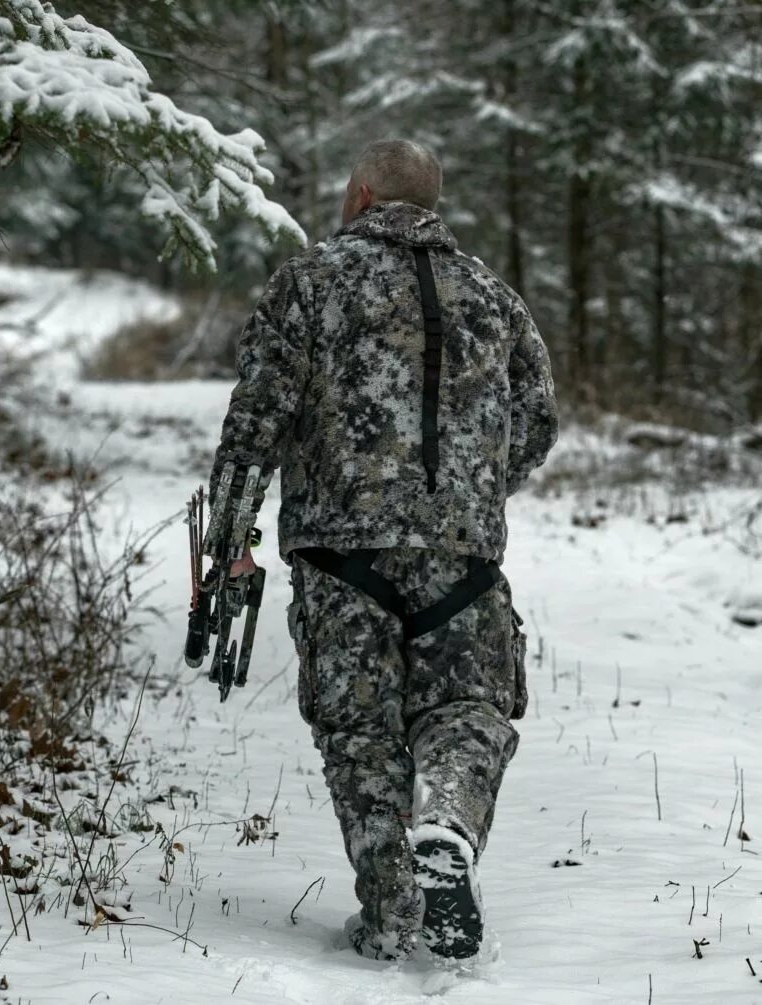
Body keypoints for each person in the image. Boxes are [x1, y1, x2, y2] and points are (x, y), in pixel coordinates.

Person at [202, 139, 558, 962]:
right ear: (431, 203)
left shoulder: (311, 281)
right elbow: (536, 424)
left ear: (360, 194)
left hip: (340, 557)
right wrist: (468, 494)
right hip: (462, 563)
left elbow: (257, 418)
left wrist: (229, 539)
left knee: (357, 730)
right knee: (467, 711)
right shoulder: (494, 298)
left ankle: (395, 914)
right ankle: (448, 825)